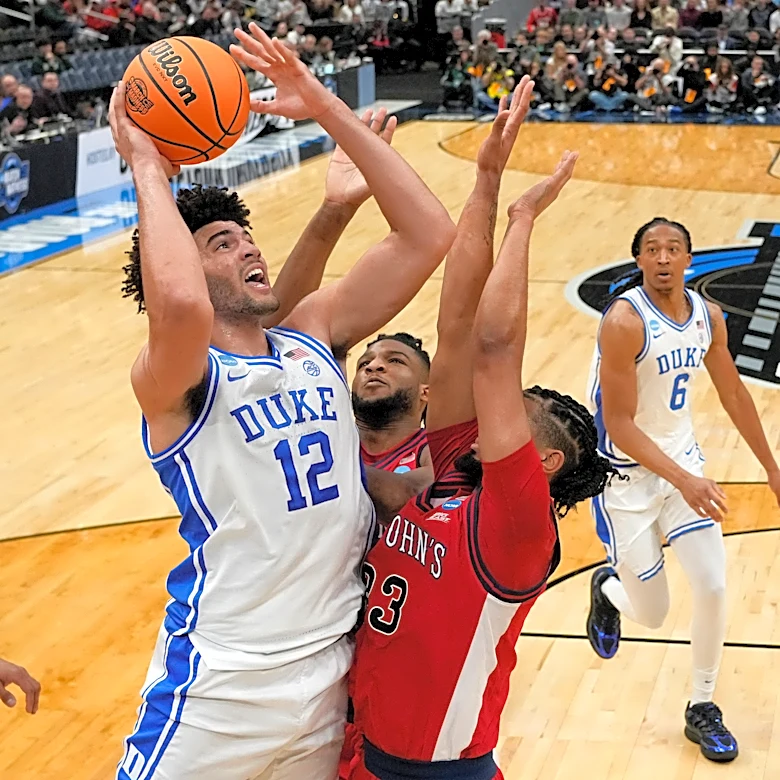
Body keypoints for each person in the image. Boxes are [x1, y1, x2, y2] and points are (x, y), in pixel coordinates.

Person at [113, 23, 455, 780]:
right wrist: (145, 163)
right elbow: (175, 303)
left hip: (331, 667)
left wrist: (323, 107)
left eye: (246, 236)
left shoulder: (310, 338)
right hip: (222, 687)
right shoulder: (175, 377)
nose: (249, 249)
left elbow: (428, 234)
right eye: (222, 245)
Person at [347, 81, 612, 780]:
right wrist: (486, 182)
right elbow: (458, 325)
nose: (493, 413)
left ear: (545, 461)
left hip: (438, 770)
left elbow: (495, 350)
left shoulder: (520, 529)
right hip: (359, 750)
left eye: (516, 414)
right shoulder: (455, 469)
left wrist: (523, 217)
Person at [585, 217, 780, 763]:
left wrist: (771, 465)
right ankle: (609, 592)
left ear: (690, 259)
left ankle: (702, 707)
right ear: (639, 260)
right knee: (652, 612)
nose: (664, 257)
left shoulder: (707, 316)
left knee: (714, 586)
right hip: (625, 475)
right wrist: (686, 480)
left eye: (674, 248)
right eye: (653, 249)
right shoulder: (623, 321)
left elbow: (735, 393)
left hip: (681, 464)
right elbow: (619, 423)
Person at [352, 332, 432, 480]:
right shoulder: (330, 443)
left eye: (395, 360)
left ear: (425, 392)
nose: (373, 366)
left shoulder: (436, 451)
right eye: (364, 363)